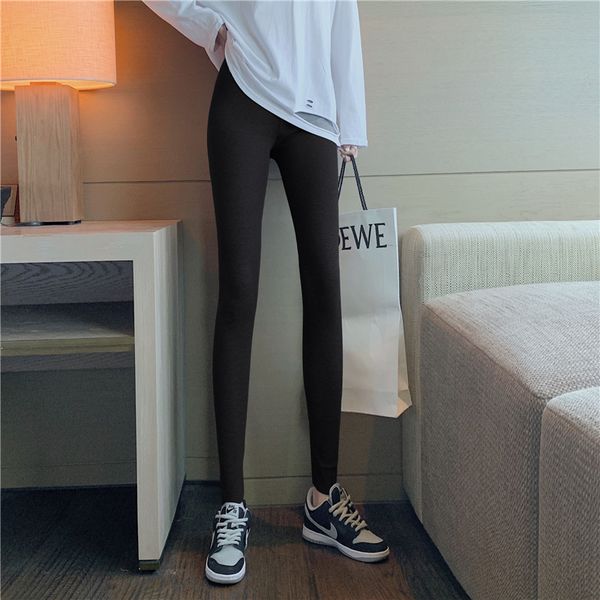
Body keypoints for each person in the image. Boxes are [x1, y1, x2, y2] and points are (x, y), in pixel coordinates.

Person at [141, 0, 390, 585]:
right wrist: (209, 25)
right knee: (239, 291)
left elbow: (342, 20)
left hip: (316, 113)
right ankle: (232, 505)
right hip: (244, 96)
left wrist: (349, 123)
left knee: (326, 290)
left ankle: (324, 500)